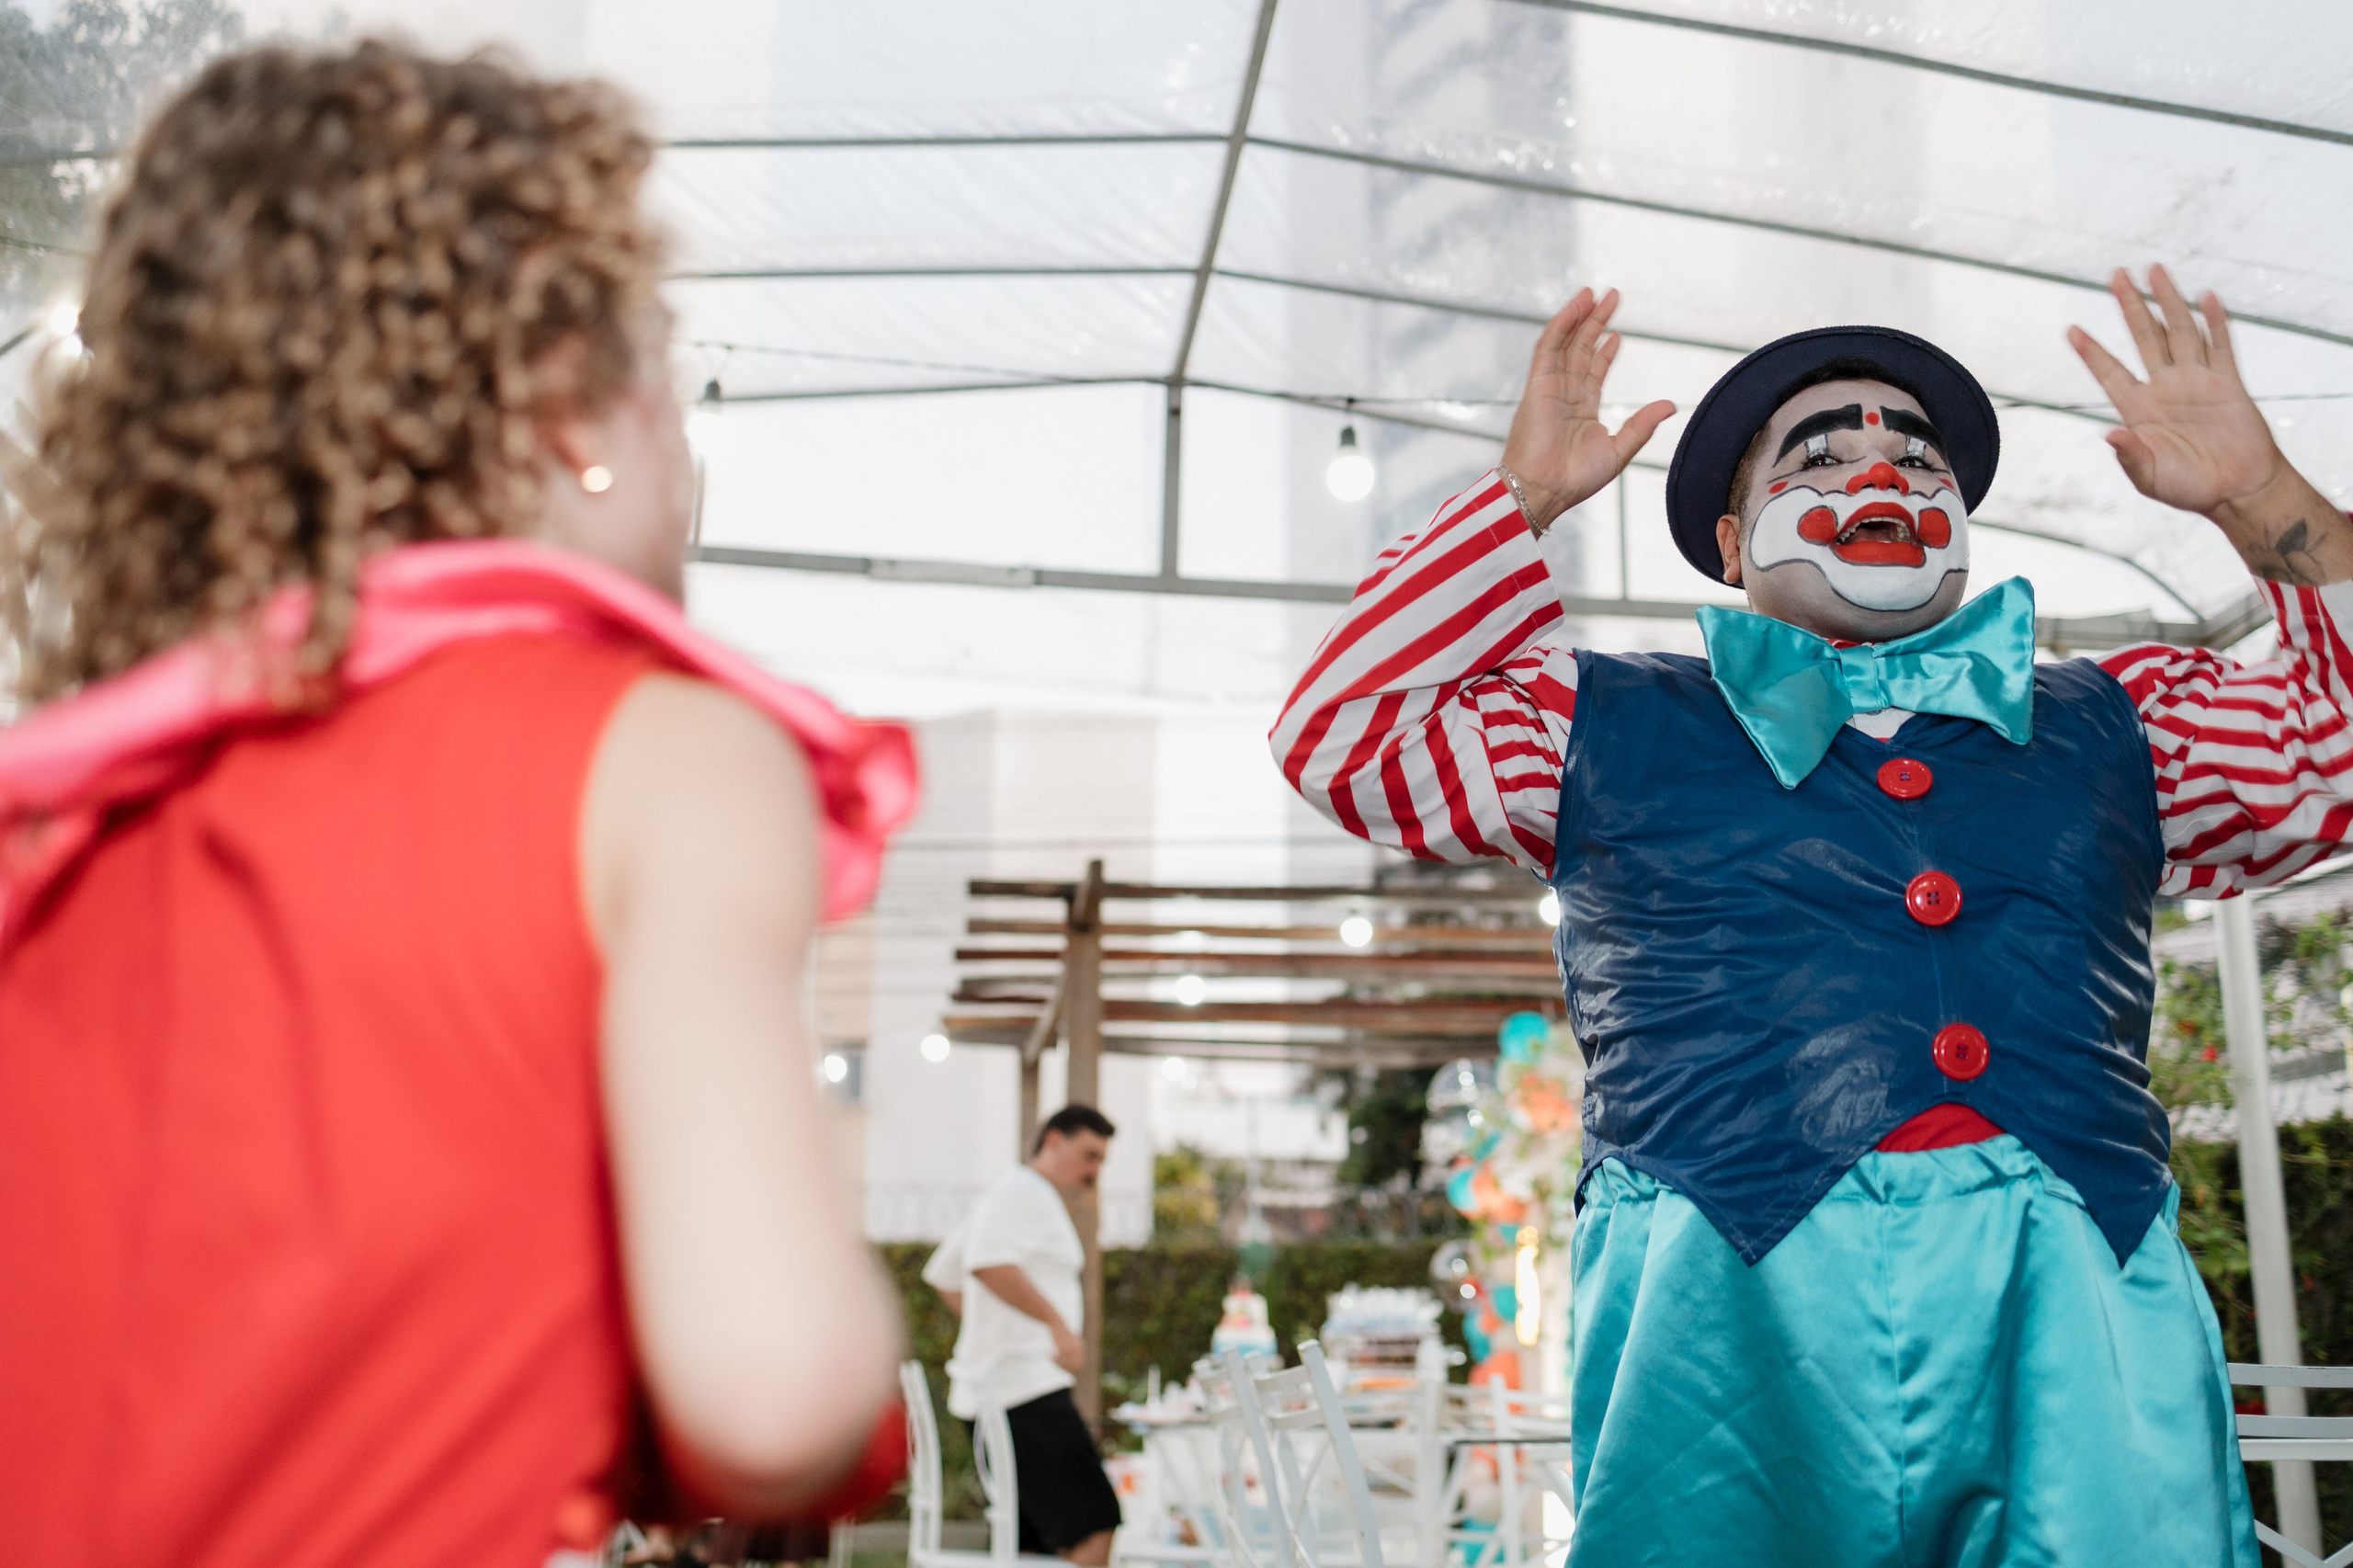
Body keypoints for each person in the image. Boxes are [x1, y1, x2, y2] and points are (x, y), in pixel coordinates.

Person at [0, 41, 916, 1567]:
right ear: (575, 413)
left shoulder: (66, 824)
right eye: (671, 383)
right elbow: (774, 1385)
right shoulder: (666, 757)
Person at [1268, 268, 2344, 1566]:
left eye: (1916, 453)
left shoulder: (2125, 716)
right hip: (1729, 1298)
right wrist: (1523, 503)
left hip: (2076, 1285)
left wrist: (2262, 496)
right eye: (1818, 452)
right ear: (1732, 544)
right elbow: (1343, 731)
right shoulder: (1591, 719)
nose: (1880, 471)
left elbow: (2333, 751)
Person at [941, 1104, 1123, 1566]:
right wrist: (1056, 1325)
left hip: (1000, 1394)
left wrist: (990, 1329)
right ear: (1053, 1142)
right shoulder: (1025, 1193)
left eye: (1102, 1160)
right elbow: (986, 1264)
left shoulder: (1006, 1194)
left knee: (1037, 1541)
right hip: (1025, 1393)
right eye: (1090, 1155)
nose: (1095, 1171)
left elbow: (945, 1274)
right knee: (1094, 1526)